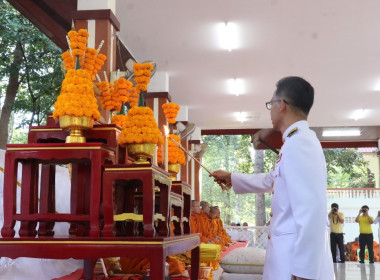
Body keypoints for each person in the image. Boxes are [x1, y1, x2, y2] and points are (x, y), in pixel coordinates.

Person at [211, 76, 334, 280]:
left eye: (271, 104)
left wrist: (305, 271)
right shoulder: (295, 142)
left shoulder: (299, 144)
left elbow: (312, 210)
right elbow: (271, 180)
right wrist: (231, 177)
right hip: (286, 257)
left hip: (295, 263)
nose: (270, 110)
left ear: (281, 105)